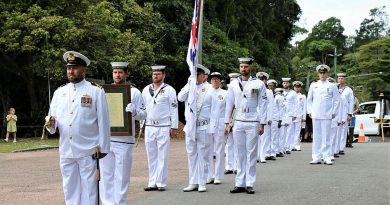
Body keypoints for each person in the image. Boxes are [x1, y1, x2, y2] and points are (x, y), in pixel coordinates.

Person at [45, 51, 110, 205]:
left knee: (89, 188)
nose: (71, 71)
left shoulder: (96, 91)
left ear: (84, 70)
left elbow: (103, 121)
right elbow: (51, 122)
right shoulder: (59, 92)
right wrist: (51, 125)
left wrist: (104, 147)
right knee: (69, 188)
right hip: (66, 149)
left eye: (74, 68)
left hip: (88, 149)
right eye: (68, 68)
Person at [99, 62, 146, 205]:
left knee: (121, 176)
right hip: (107, 139)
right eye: (115, 72)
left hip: (124, 140)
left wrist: (135, 112)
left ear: (126, 73)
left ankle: (119, 203)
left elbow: (144, 114)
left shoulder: (135, 92)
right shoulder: (104, 91)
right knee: (106, 175)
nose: (117, 75)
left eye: (120, 72)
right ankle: (107, 203)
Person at [224, 58, 266, 194]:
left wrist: (262, 123)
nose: (243, 69)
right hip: (238, 121)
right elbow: (229, 104)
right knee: (239, 153)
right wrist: (227, 123)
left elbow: (263, 104)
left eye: (246, 66)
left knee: (251, 153)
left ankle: (249, 183)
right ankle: (239, 183)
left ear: (251, 67)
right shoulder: (233, 84)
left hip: (253, 120)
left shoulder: (259, 84)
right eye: (241, 66)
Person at [141, 65, 178, 191]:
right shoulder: (146, 89)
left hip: (163, 126)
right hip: (150, 125)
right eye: (153, 74)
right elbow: (143, 108)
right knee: (151, 155)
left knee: (162, 155)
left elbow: (174, 108)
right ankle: (152, 182)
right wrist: (142, 125)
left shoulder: (169, 90)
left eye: (158, 74)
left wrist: (174, 126)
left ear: (163, 75)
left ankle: (161, 183)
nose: (155, 76)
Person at [178, 64, 212, 192]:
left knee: (202, 155)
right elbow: (180, 97)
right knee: (191, 154)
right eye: (194, 75)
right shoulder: (189, 87)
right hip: (190, 126)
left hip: (204, 126)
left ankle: (202, 182)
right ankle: (193, 181)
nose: (196, 77)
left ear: (204, 76)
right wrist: (189, 84)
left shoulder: (209, 88)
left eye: (198, 75)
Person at [307, 64, 340, 165]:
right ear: (318, 74)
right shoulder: (314, 85)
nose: (322, 74)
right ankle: (316, 157)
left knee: (327, 136)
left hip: (327, 114)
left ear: (327, 73)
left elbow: (337, 100)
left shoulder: (332, 85)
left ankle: (327, 156)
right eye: (320, 72)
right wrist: (310, 111)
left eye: (324, 72)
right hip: (316, 114)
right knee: (317, 137)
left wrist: (334, 112)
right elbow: (309, 100)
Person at [206, 72, 227, 185]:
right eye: (213, 79)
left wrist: (228, 125)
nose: (215, 81)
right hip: (208, 123)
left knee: (219, 150)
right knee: (209, 150)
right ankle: (210, 175)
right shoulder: (206, 92)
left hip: (220, 123)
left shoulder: (225, 93)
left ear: (220, 81)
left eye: (217, 79)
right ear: (210, 81)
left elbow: (229, 109)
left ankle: (218, 175)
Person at [256, 72, 274, 163]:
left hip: (265, 116)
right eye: (260, 79)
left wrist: (270, 117)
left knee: (264, 137)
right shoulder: (254, 90)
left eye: (263, 79)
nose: (262, 81)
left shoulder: (269, 92)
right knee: (255, 137)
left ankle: (262, 156)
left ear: (266, 81)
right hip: (255, 116)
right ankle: (256, 156)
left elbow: (270, 105)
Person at [225, 73, 240, 174]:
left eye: (234, 79)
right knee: (229, 144)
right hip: (228, 120)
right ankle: (229, 166)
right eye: (231, 79)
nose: (232, 81)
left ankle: (236, 166)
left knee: (237, 143)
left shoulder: (239, 90)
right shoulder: (225, 92)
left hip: (238, 118)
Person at [336, 73, 354, 155]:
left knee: (343, 131)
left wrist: (350, 114)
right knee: (335, 131)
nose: (340, 80)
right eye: (339, 78)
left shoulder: (349, 90)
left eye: (342, 78)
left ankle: (341, 148)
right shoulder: (334, 88)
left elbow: (351, 102)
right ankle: (335, 148)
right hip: (335, 113)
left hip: (344, 113)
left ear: (344, 79)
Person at [282, 77, 298, 154]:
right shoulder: (279, 92)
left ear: (289, 84)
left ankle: (287, 147)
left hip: (289, 114)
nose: (285, 84)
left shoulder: (293, 93)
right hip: (281, 114)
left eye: (287, 83)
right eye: (284, 83)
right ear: (282, 84)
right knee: (281, 131)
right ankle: (281, 147)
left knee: (289, 131)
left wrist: (294, 114)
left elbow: (296, 104)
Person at [291, 81, 306, 151]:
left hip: (299, 116)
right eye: (296, 87)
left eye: (298, 87)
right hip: (290, 116)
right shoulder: (290, 95)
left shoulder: (302, 96)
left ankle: (297, 145)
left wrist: (304, 117)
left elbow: (304, 107)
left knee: (297, 131)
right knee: (290, 131)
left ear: (300, 88)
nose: (297, 88)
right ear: (293, 87)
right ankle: (290, 145)